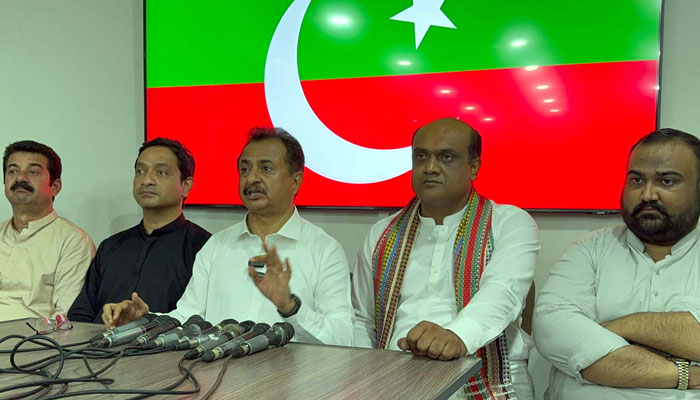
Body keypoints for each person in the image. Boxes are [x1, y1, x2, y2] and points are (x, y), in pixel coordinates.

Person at [102, 127, 354, 346]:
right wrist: (144, 321)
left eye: (266, 168)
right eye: (245, 169)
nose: (252, 178)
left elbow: (343, 340)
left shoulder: (324, 250)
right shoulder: (217, 246)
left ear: (295, 181)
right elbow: (187, 318)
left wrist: (289, 306)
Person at [352, 118, 539, 399]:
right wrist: (364, 379)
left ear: (473, 167)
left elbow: (503, 292)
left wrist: (458, 336)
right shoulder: (381, 235)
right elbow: (362, 320)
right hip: (392, 376)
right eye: (421, 156)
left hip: (488, 378)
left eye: (446, 157)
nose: (430, 168)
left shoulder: (510, 223)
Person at [534, 128, 700, 399]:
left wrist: (614, 328)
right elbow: (552, 329)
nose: (648, 194)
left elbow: (578, 341)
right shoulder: (588, 250)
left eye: (667, 181)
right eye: (636, 179)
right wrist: (683, 374)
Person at [68, 138, 211, 323]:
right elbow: (81, 314)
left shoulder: (204, 248)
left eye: (161, 172)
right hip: (96, 348)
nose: (146, 180)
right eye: (140, 171)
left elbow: (202, 321)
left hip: (165, 349)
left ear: (186, 185)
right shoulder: (111, 246)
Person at [1, 140, 95, 321]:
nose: (20, 178)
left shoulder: (72, 241)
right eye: (12, 171)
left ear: (55, 186)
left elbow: (64, 320)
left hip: (30, 345)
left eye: (33, 171)